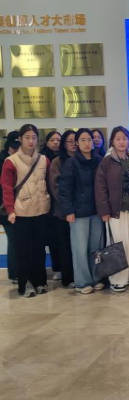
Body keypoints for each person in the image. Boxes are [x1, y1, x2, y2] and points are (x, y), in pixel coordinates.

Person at [1, 124, 51, 298]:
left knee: (39, 249)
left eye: (34, 137)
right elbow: (7, 188)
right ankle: (25, 284)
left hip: (41, 210)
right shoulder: (11, 161)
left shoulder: (44, 160)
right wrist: (10, 210)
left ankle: (40, 281)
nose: (31, 141)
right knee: (23, 250)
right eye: (27, 137)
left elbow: (49, 184)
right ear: (20, 139)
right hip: (21, 212)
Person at [95, 126, 129, 292]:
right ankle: (118, 279)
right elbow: (100, 187)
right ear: (112, 142)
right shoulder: (107, 161)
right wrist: (104, 210)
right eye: (118, 139)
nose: (122, 142)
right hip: (116, 210)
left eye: (124, 138)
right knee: (118, 244)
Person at [59, 129, 105, 294]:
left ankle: (96, 278)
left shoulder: (99, 161)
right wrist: (68, 211)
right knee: (80, 248)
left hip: (97, 212)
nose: (87, 143)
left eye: (89, 140)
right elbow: (64, 190)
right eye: (83, 140)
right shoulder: (71, 163)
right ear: (77, 143)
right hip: (78, 213)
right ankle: (82, 282)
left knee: (96, 247)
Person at [48, 130, 76, 288]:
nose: (73, 144)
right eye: (69, 141)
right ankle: (68, 277)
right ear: (64, 144)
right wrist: (69, 207)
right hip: (62, 212)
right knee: (65, 246)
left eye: (75, 140)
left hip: (82, 211)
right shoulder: (57, 162)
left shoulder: (83, 159)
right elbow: (56, 188)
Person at [40, 130, 62, 280]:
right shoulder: (41, 158)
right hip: (46, 204)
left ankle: (64, 267)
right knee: (52, 239)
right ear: (47, 142)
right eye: (52, 140)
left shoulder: (65, 158)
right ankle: (57, 267)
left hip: (61, 203)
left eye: (58, 140)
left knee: (62, 238)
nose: (56, 143)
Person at [0, 131, 20, 284]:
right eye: (14, 146)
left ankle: (19, 272)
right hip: (5, 208)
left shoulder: (21, 160)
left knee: (18, 240)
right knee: (14, 240)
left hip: (21, 207)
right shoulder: (3, 161)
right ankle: (15, 274)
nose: (16, 149)